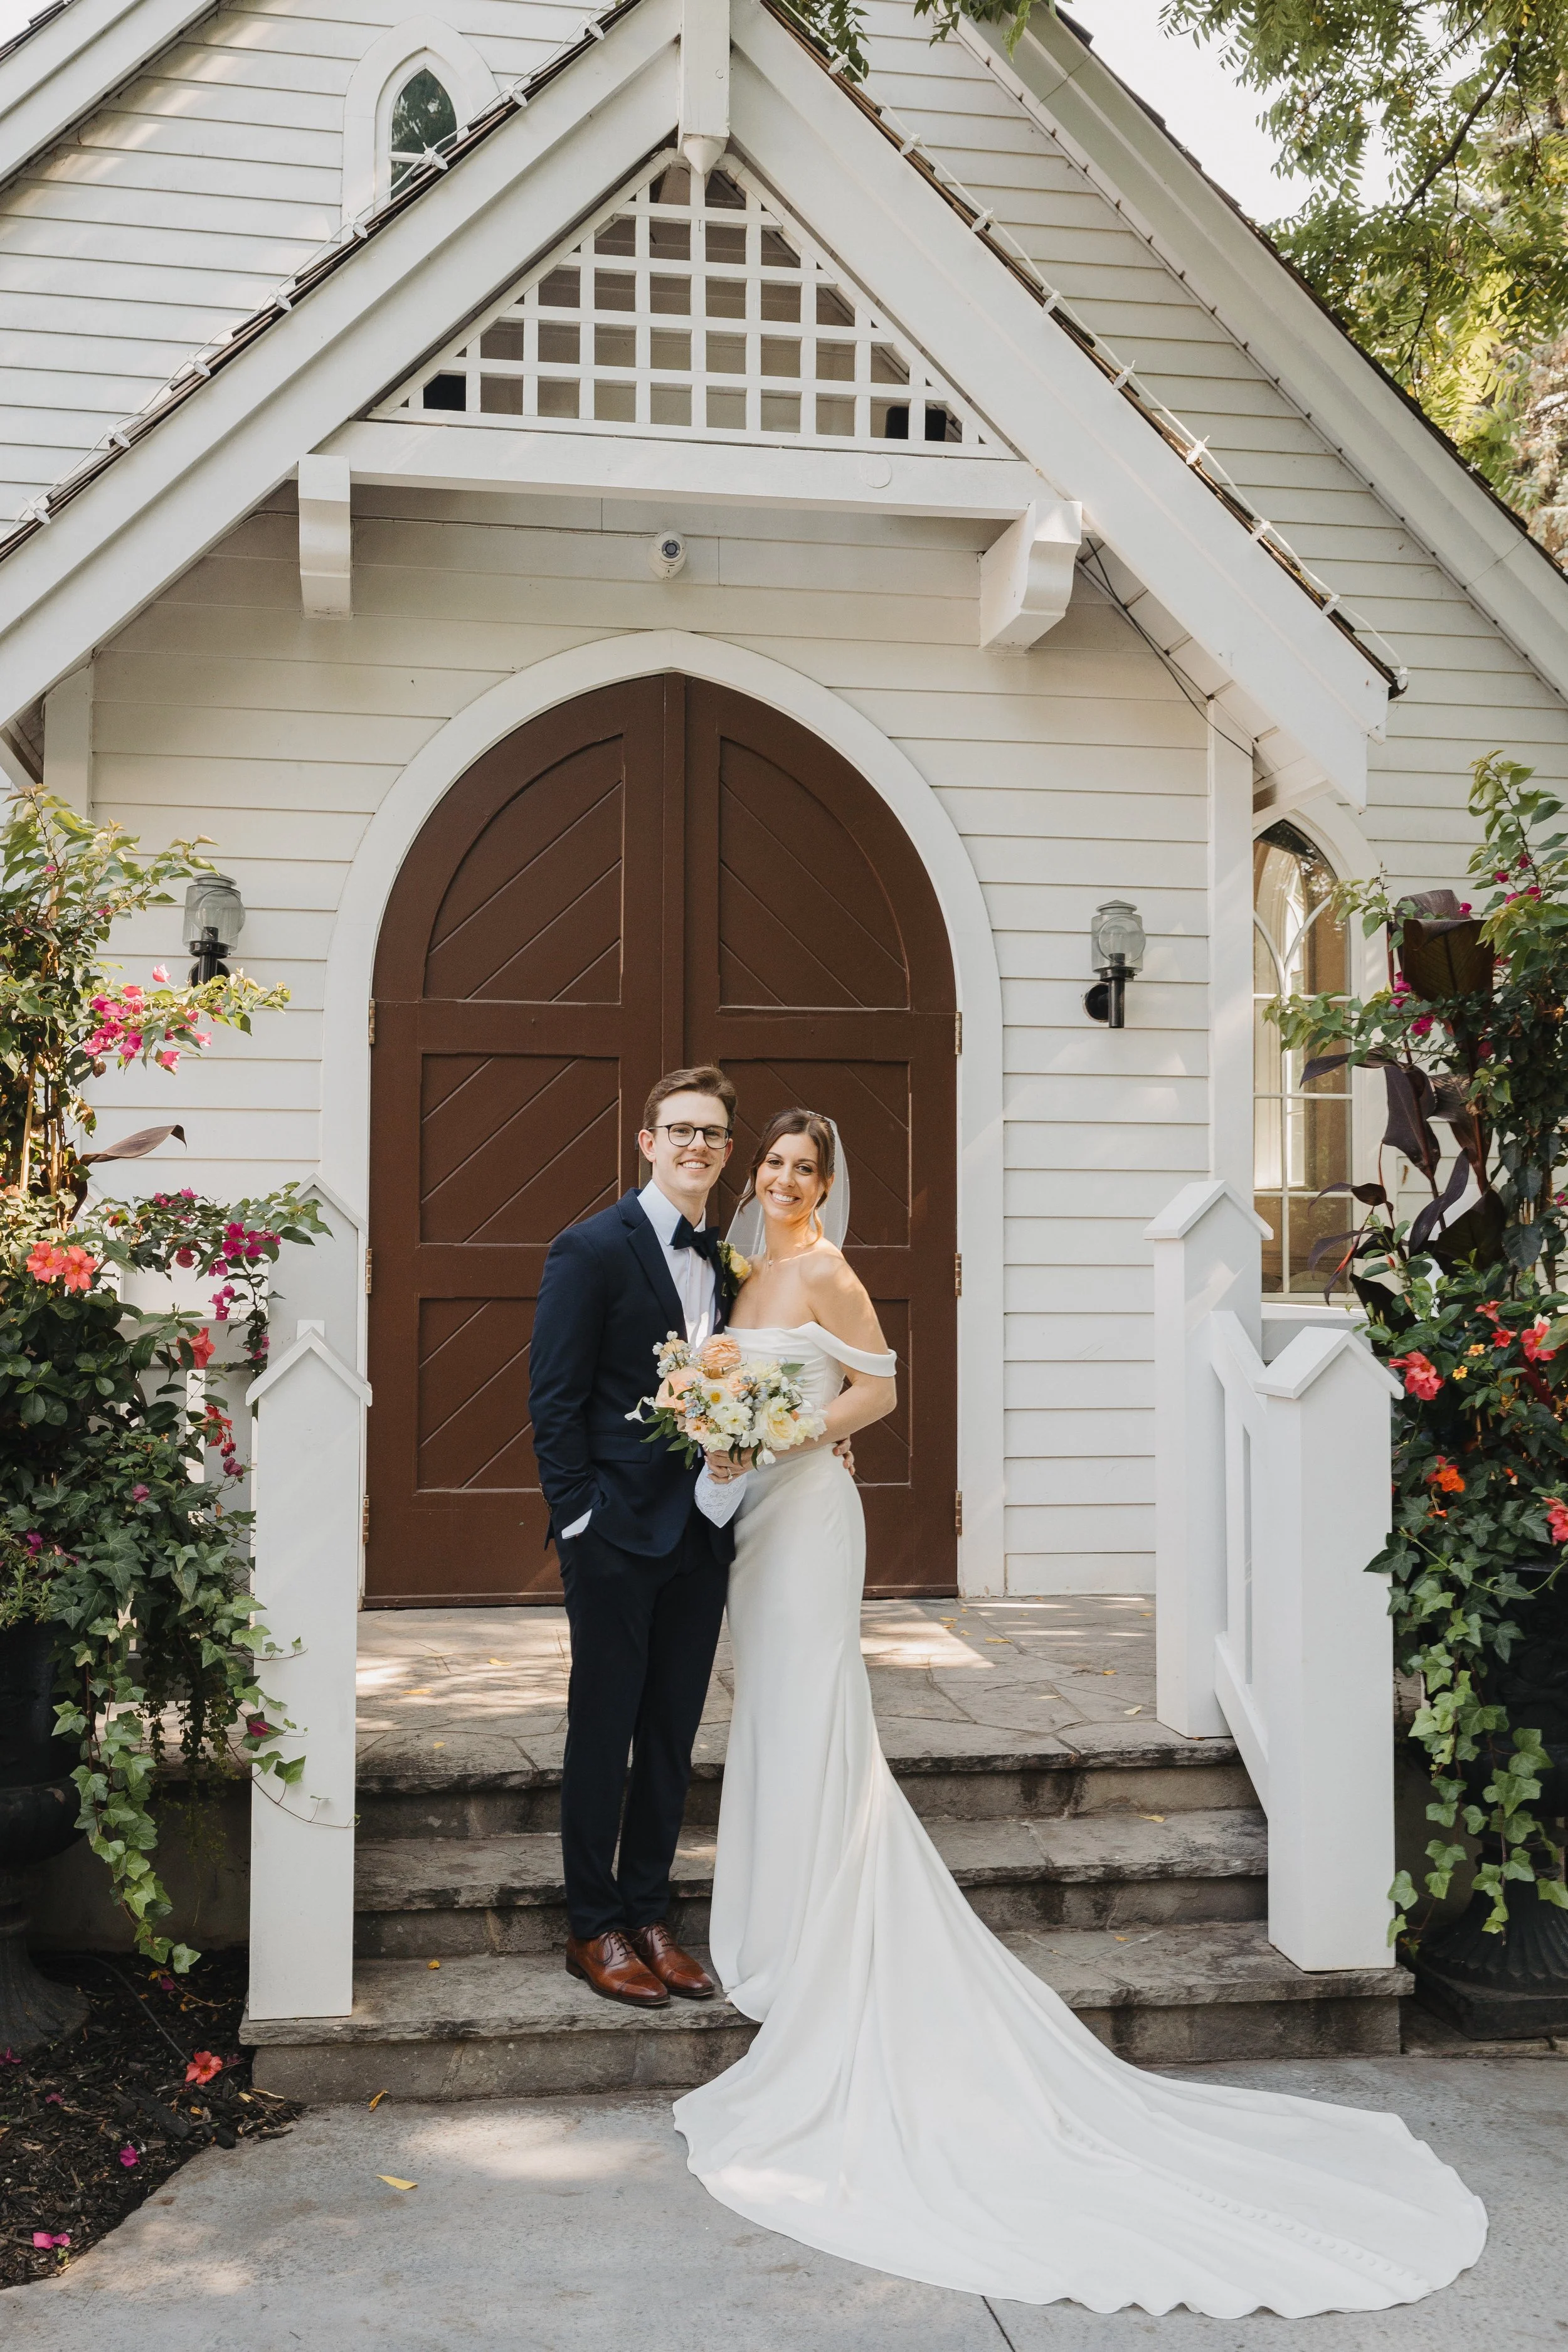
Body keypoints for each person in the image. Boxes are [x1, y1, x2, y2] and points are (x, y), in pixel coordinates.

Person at [673, 1106, 1489, 2320]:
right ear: (760, 1174)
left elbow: (879, 1392)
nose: (788, 1179)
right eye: (776, 1164)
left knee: (815, 1710)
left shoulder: (831, 1271)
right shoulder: (742, 1268)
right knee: (776, 1717)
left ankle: (812, 1931)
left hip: (812, 1520)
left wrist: (789, 1429)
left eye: (807, 1167)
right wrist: (725, 1426)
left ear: (828, 1182)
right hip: (755, 1524)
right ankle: (773, 1915)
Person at [528, 1065, 748, 2011]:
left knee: (671, 1731)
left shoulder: (730, 1262)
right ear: (648, 1142)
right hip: (614, 1532)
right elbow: (555, 1399)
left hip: (704, 1526)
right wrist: (581, 1516)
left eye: (713, 1133)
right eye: (681, 1130)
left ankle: (651, 1914)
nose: (697, 1145)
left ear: (727, 1151)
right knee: (604, 1726)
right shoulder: (590, 1249)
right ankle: (593, 1925)